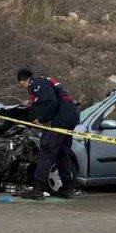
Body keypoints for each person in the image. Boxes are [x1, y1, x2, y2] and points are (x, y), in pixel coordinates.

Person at [16, 67, 81, 200]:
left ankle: (37, 190)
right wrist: (33, 105)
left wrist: (41, 119)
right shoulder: (44, 81)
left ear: (23, 81)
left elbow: (51, 102)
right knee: (62, 153)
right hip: (70, 117)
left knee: (46, 151)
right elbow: (51, 99)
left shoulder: (36, 85)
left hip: (59, 121)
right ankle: (68, 188)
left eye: (21, 84)